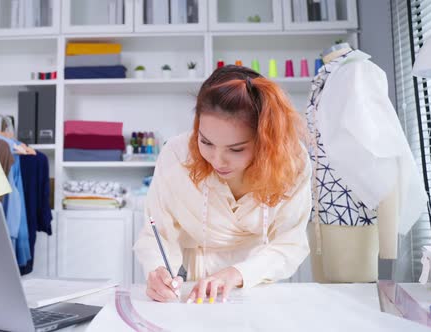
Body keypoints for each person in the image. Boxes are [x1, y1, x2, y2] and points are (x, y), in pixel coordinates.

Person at [133, 65, 312, 304]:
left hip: (259, 286)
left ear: (266, 140)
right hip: (193, 285)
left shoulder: (292, 162)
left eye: (236, 149)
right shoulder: (177, 155)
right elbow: (158, 233)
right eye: (205, 142)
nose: (217, 161)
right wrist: (158, 270)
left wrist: (238, 274)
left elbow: (290, 242)